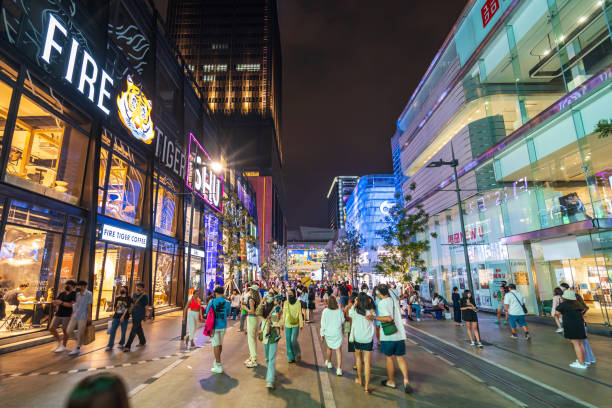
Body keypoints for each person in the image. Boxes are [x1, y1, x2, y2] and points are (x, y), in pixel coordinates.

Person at [369, 284, 412, 394]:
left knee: (389, 358)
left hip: (388, 336)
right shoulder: (394, 301)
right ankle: (406, 380)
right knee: (400, 357)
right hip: (399, 334)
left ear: (379, 293)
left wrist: (373, 317)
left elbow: (388, 318)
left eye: (376, 293)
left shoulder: (382, 303)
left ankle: (391, 381)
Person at [350, 292, 375, 394]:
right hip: (368, 339)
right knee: (367, 363)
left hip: (358, 338)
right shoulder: (371, 311)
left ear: (358, 300)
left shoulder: (355, 311)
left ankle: (360, 380)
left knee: (358, 360)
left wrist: (355, 303)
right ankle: (367, 388)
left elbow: (349, 313)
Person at [555, 290, 588, 368]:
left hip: (570, 326)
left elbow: (556, 313)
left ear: (565, 297)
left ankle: (581, 364)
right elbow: (582, 311)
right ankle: (583, 361)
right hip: (579, 325)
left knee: (576, 344)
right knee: (580, 343)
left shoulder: (563, 304)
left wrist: (562, 318)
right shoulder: (577, 304)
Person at [260, 292, 282, 389]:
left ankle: (270, 380)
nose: (269, 298)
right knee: (267, 358)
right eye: (267, 296)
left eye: (271, 297)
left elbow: (281, 321)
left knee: (271, 358)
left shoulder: (278, 309)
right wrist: (262, 301)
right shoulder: (263, 309)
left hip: (273, 335)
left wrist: (275, 323)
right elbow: (256, 312)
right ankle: (271, 372)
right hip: (265, 336)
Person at [207, 286, 231, 373]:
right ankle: (217, 361)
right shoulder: (227, 302)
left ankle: (218, 365)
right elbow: (228, 313)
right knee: (220, 345)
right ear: (223, 293)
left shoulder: (212, 302)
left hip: (214, 327)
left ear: (216, 293)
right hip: (223, 326)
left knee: (215, 345)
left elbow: (207, 312)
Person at [66, 281, 93, 356]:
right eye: (78, 286)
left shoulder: (89, 294)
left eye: (79, 286)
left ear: (84, 286)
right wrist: (73, 313)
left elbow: (89, 305)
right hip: (75, 315)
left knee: (80, 331)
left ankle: (77, 347)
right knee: (69, 330)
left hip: (83, 316)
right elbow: (77, 304)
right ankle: (79, 340)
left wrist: (89, 316)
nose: (78, 287)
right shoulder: (77, 294)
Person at [320, 295, 345, 376]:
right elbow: (343, 321)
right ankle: (339, 369)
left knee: (329, 348)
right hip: (337, 333)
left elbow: (323, 324)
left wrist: (322, 334)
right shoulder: (339, 311)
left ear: (328, 302)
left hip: (328, 333)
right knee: (338, 351)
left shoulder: (325, 311)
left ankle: (329, 362)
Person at [49, 280, 76, 353]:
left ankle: (64, 346)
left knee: (65, 330)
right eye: (66, 285)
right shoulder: (62, 293)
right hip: (58, 314)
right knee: (51, 328)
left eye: (68, 285)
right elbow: (58, 301)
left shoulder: (74, 294)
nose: (66, 286)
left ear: (73, 287)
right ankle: (59, 343)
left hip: (67, 314)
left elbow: (72, 305)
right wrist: (55, 303)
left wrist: (61, 302)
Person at [106, 286, 132, 351]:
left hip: (124, 317)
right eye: (121, 289)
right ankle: (110, 345)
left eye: (123, 289)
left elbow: (127, 308)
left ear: (126, 290)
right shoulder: (117, 298)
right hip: (116, 316)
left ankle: (121, 343)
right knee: (113, 330)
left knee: (123, 331)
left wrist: (123, 316)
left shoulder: (128, 298)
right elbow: (115, 307)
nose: (121, 290)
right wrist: (114, 313)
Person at [124, 283, 148, 352]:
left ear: (142, 288)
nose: (138, 288)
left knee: (134, 329)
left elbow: (146, 306)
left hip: (140, 314)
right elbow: (132, 303)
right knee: (138, 328)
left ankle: (128, 346)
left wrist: (146, 315)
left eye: (140, 287)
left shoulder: (144, 296)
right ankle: (143, 341)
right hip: (134, 314)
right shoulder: (134, 294)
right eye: (137, 286)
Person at [282, 288, 303, 363]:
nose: (290, 295)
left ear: (294, 294)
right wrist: (282, 323)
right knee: (288, 341)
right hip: (287, 324)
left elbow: (300, 313)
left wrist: (301, 324)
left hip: (296, 324)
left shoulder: (298, 303)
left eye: (291, 293)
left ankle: (297, 354)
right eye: (288, 294)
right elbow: (284, 314)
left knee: (293, 340)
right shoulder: (285, 303)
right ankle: (290, 357)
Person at [243, 284, 261, 368]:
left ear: (252, 291)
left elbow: (252, 311)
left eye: (250, 289)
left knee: (251, 339)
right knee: (253, 339)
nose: (249, 290)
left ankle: (253, 359)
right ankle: (252, 357)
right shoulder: (257, 299)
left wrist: (244, 308)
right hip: (255, 319)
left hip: (251, 319)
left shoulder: (251, 300)